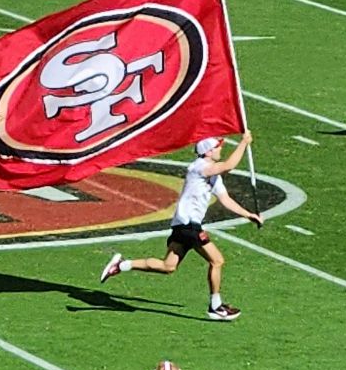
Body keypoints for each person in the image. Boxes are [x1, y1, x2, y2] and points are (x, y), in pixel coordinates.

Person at [98, 133, 262, 320]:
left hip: (182, 226)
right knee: (217, 261)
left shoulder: (213, 175)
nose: (220, 150)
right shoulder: (199, 167)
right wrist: (244, 143)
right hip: (189, 226)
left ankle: (121, 265)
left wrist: (249, 215)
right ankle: (215, 306)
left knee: (168, 266)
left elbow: (226, 200)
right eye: (217, 147)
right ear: (208, 151)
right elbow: (229, 165)